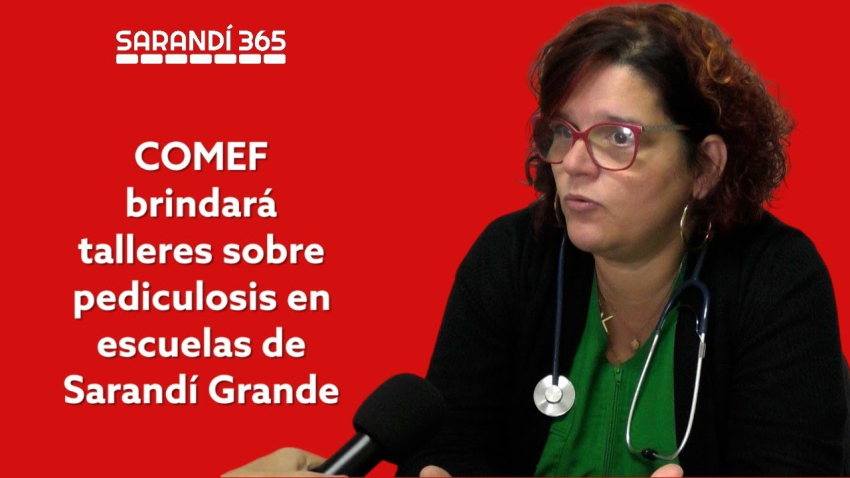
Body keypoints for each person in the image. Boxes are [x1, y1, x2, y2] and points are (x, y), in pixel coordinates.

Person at [223, 4, 847, 476]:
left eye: (618, 138)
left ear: (704, 167)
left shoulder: (777, 279)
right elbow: (449, 452)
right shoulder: (514, 257)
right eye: (563, 132)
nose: (572, 163)